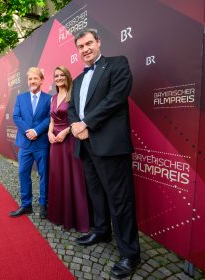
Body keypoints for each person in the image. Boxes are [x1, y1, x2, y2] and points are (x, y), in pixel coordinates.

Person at [67, 28, 140, 279]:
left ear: (98, 42)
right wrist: (77, 127)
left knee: (120, 200)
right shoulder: (76, 80)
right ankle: (101, 230)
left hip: (110, 146)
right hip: (85, 146)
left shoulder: (117, 63)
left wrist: (87, 124)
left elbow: (116, 98)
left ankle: (130, 254)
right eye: (81, 46)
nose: (85, 49)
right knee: (96, 194)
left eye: (89, 43)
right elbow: (72, 108)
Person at [47, 66, 90, 232]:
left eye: (61, 75)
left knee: (73, 177)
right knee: (58, 176)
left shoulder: (74, 95)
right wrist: (50, 132)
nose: (58, 78)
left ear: (67, 77)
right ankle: (59, 215)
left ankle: (77, 219)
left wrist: (65, 132)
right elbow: (51, 120)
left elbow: (79, 119)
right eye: (56, 75)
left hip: (70, 139)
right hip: (55, 143)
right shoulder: (53, 98)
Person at [10, 67, 50, 219]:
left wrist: (37, 131)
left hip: (41, 143)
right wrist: (29, 131)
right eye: (30, 79)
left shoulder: (49, 99)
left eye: (35, 78)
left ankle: (43, 205)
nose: (32, 81)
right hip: (25, 144)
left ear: (41, 80)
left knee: (44, 175)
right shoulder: (20, 98)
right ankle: (26, 205)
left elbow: (49, 118)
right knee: (22, 173)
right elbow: (16, 116)